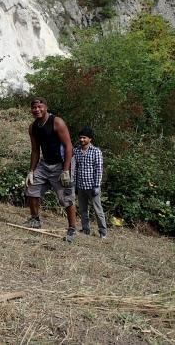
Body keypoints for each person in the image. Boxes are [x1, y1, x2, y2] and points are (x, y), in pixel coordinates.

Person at [24, 97, 77, 242]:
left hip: (61, 164)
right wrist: (31, 171)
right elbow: (35, 150)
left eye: (40, 107)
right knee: (31, 188)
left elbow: (68, 147)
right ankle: (35, 219)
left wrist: (66, 171)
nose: (37, 110)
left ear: (46, 107)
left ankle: (72, 228)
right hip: (45, 163)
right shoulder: (33, 127)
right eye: (34, 108)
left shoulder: (57, 122)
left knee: (65, 197)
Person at [74, 126, 107, 239]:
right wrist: (75, 185)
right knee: (83, 210)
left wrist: (97, 185)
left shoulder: (96, 151)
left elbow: (99, 169)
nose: (82, 140)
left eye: (84, 138)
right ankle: (86, 229)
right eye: (80, 138)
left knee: (98, 210)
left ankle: (103, 233)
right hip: (81, 186)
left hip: (92, 186)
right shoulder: (77, 151)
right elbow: (76, 168)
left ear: (90, 139)